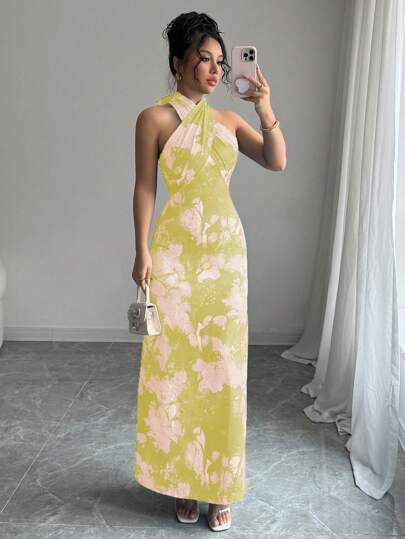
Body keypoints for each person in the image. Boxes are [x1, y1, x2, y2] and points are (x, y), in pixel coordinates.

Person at [132, 11, 286, 533]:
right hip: (176, 255)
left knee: (223, 371)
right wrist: (142, 250)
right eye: (205, 59)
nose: (216, 69)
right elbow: (145, 187)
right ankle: (183, 480)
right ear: (178, 62)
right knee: (177, 369)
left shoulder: (228, 122)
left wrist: (263, 106)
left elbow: (276, 161)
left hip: (224, 258)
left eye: (221, 61)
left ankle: (219, 484)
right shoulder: (153, 119)